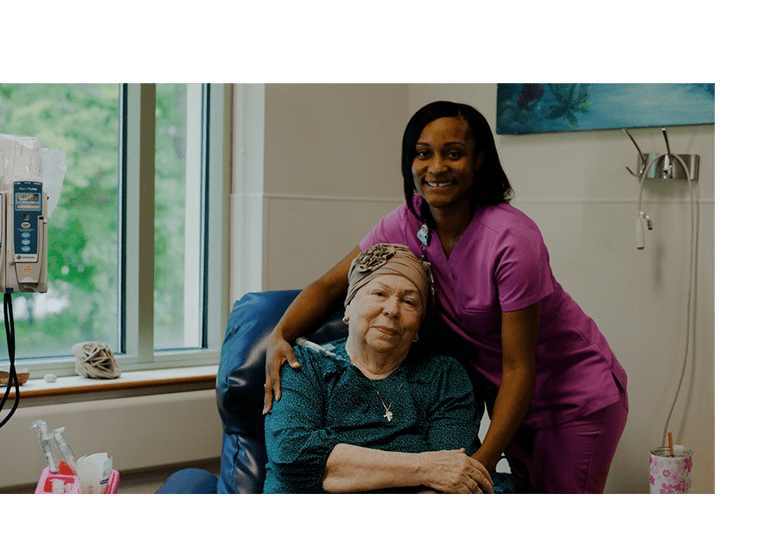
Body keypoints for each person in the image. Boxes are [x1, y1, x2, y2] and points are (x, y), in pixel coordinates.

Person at [264, 101, 629, 494]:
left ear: (479, 160)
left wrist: (474, 470)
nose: (436, 167)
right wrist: (280, 334)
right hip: (505, 398)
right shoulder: (407, 222)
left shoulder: (513, 240)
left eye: (453, 154)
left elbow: (520, 368)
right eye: (423, 154)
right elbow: (332, 286)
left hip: (570, 394)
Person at [263, 243, 494, 494]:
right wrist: (425, 467)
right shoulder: (303, 365)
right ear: (348, 307)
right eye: (379, 294)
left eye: (409, 301)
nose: (392, 310)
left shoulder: (445, 377)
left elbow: (453, 477)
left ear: (419, 324)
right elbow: (293, 457)